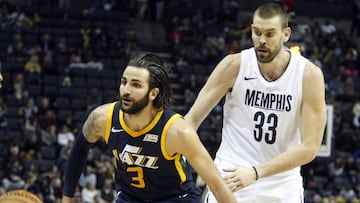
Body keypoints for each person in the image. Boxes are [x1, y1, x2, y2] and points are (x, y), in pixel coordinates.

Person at [184, 3, 327, 202]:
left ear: (286, 34)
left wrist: (256, 172)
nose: (261, 40)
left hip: (281, 184)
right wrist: (201, 167)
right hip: (231, 175)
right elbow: (189, 122)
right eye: (256, 32)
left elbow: (310, 147)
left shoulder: (308, 75)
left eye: (269, 34)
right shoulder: (234, 65)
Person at [62, 53, 236, 203]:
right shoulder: (102, 118)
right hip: (130, 198)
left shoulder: (177, 131)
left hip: (176, 198)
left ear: (153, 93)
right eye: (124, 82)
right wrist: (66, 199)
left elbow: (218, 186)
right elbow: (79, 149)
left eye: (136, 85)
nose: (126, 90)